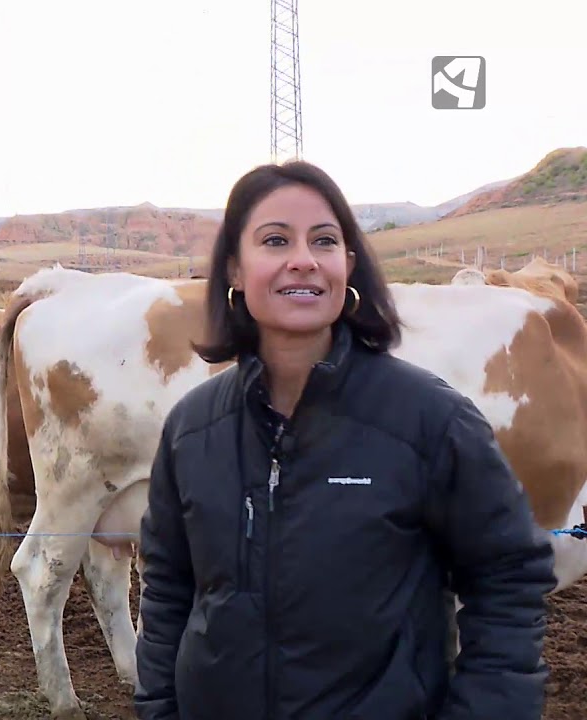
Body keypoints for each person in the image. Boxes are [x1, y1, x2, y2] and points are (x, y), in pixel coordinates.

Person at [132, 160, 558, 720]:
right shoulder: (193, 429)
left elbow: (507, 580)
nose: (303, 259)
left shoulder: (430, 420)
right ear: (235, 268)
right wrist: (161, 708)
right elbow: (167, 588)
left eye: (325, 241)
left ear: (348, 266)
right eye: (275, 240)